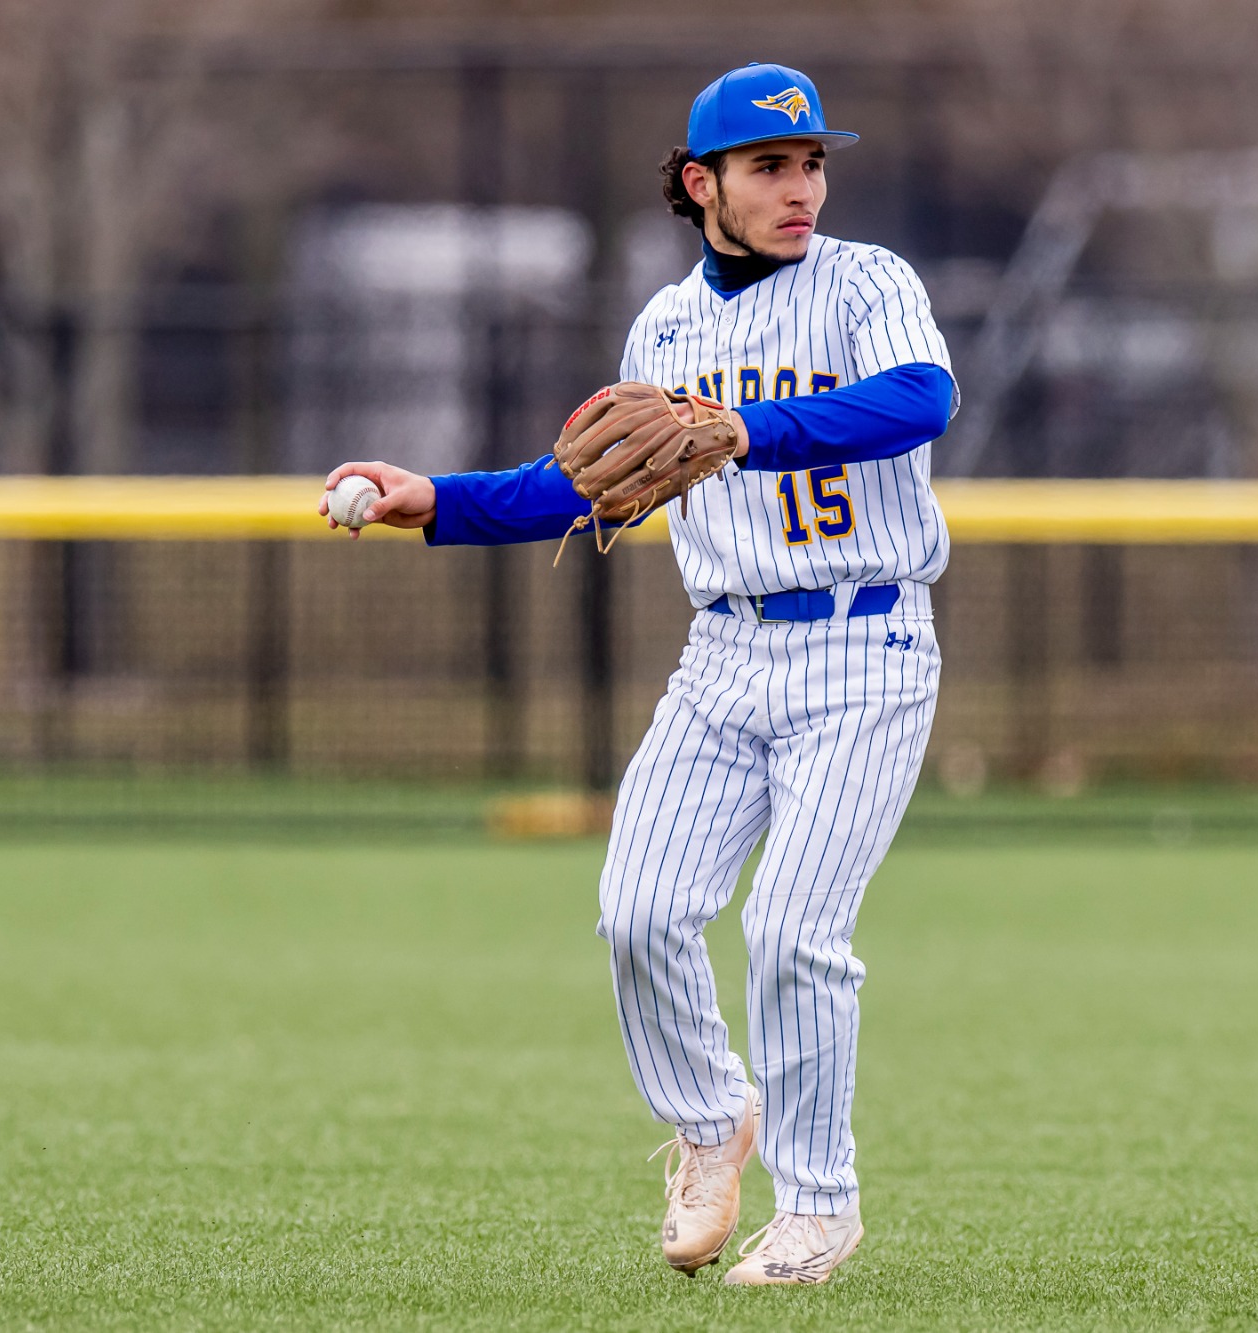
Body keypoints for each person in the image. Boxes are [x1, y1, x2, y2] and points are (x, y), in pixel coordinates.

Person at [321, 61, 957, 1287]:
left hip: (863, 644)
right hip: (720, 651)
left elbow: (920, 400)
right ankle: (713, 1119)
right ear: (697, 181)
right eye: (769, 166)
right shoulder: (665, 329)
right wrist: (432, 501)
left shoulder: (868, 282)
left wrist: (746, 427)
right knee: (639, 912)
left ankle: (818, 1204)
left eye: (812, 161)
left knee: (788, 929)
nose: (800, 187)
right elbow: (584, 481)